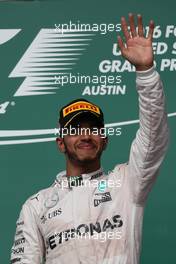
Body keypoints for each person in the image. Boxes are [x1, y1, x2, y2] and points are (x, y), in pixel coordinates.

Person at [10, 14, 169, 264]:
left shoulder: (127, 184)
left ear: (104, 140)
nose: (85, 135)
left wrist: (145, 72)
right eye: (75, 130)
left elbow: (154, 136)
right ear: (60, 142)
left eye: (93, 128)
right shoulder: (36, 206)